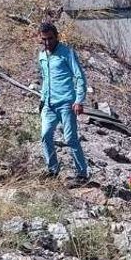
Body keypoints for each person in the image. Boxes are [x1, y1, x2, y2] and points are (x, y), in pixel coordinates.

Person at [37, 23, 90, 186]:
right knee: (45, 135)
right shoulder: (42, 55)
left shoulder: (67, 53)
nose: (47, 42)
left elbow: (79, 77)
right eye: (44, 39)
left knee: (70, 139)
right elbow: (45, 79)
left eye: (50, 38)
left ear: (56, 36)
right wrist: (42, 100)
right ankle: (53, 170)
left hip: (66, 104)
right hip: (49, 104)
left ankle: (82, 174)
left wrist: (79, 100)